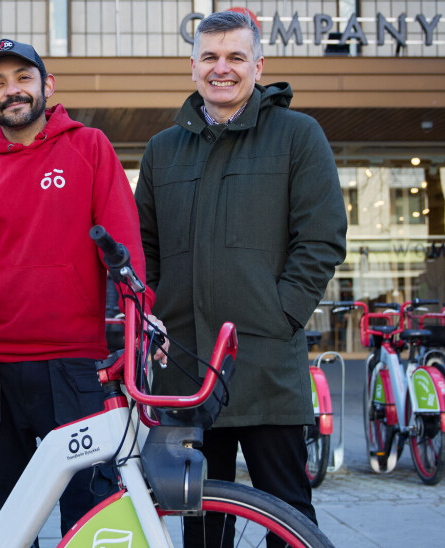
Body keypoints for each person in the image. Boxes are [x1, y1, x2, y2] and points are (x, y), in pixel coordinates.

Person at [0, 38, 159, 538]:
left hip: (73, 369)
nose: (12, 91)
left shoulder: (90, 147)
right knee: (5, 525)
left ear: (48, 85)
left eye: (23, 78)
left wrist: (142, 315)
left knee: (90, 520)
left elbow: (124, 250)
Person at [134, 10, 346, 547]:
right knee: (201, 518)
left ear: (258, 65)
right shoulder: (162, 150)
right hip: (187, 368)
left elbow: (321, 237)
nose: (221, 68)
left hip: (265, 362)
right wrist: (154, 319)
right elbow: (145, 249)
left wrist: (282, 315)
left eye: (235, 56)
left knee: (288, 512)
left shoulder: (298, 136)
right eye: (209, 56)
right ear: (193, 67)